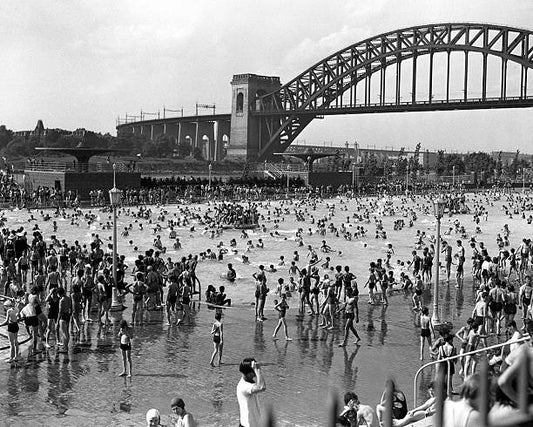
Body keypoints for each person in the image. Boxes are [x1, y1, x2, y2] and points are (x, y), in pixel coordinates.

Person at [236, 358, 266, 427]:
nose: (255, 375)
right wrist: (258, 370)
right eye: (254, 373)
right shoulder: (244, 386)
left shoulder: (249, 382)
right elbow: (262, 387)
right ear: (249, 374)